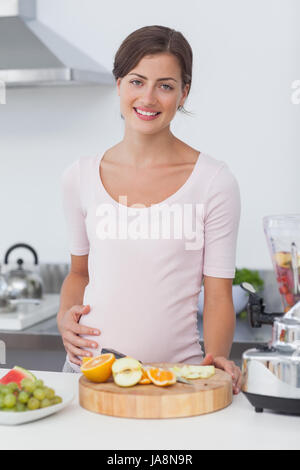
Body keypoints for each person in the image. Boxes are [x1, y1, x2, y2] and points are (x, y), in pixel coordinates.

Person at [58, 25, 242, 394]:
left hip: (176, 381)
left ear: (183, 93)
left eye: (166, 86)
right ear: (119, 85)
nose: (149, 98)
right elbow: (79, 273)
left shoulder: (213, 182)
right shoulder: (80, 177)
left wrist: (216, 360)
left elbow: (219, 293)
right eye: (137, 81)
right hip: (90, 375)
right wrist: (65, 319)